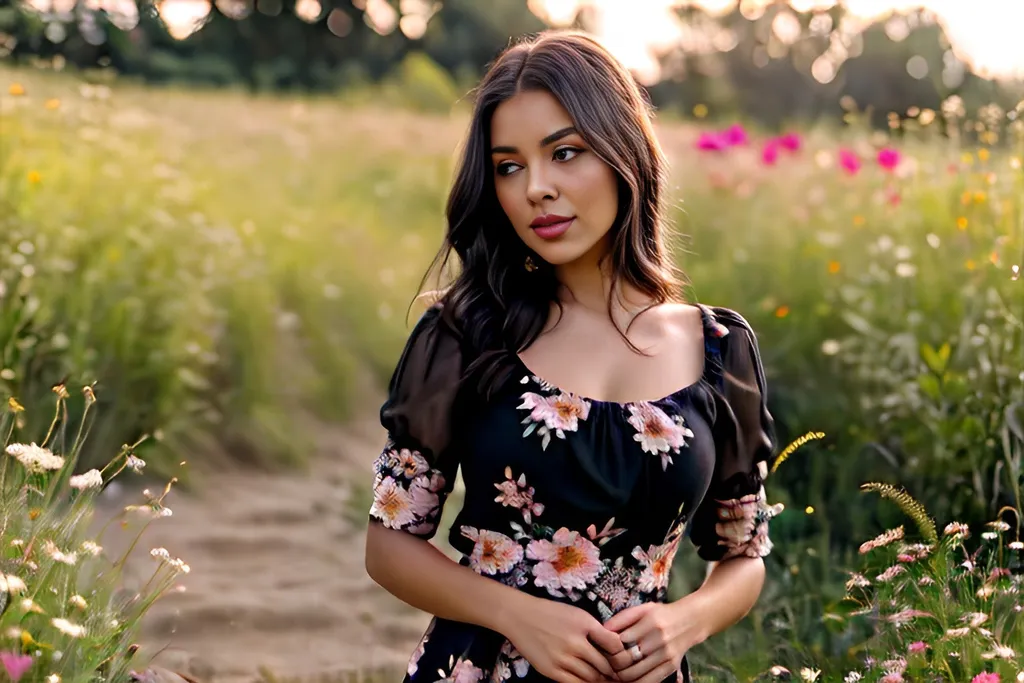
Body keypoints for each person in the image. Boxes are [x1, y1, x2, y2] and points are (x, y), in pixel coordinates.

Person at [364, 29, 784, 683]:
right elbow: (388, 544)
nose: (536, 187)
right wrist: (516, 613)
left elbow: (744, 554)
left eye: (565, 153)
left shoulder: (719, 352)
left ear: (625, 153)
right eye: (509, 165)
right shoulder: (467, 333)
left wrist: (687, 620)